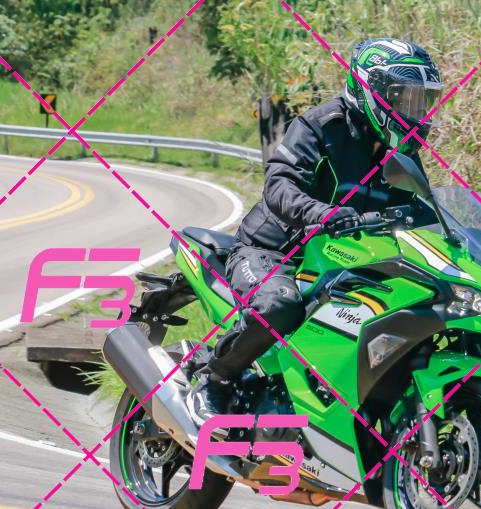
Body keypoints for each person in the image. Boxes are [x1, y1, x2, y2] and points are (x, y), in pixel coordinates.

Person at [189, 38, 445, 426]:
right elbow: (279, 185)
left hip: (344, 261)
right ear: (371, 88)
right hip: (275, 251)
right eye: (405, 97)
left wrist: (468, 246)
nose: (416, 111)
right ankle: (214, 379)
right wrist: (320, 213)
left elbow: (422, 212)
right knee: (279, 307)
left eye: (422, 101)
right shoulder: (322, 126)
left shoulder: (402, 155)